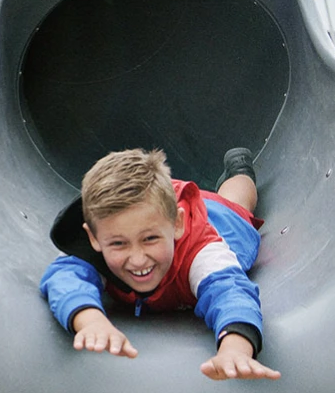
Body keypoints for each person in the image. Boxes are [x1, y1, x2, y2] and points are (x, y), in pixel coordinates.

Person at [39, 147, 280, 381]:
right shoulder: (101, 239)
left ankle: (240, 171)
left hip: (221, 221)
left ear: (177, 224)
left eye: (150, 239)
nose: (138, 259)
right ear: (94, 237)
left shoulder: (204, 253)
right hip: (161, 212)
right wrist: (90, 320)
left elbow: (231, 293)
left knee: (235, 201)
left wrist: (235, 349)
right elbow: (65, 276)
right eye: (119, 244)